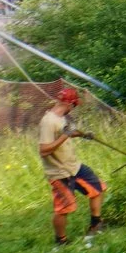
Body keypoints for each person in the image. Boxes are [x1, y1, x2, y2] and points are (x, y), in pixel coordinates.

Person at [39, 85, 105, 244]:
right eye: (74, 106)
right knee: (64, 209)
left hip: (74, 166)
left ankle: (95, 224)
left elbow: (65, 132)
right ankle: (61, 241)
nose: (73, 109)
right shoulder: (48, 121)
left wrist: (82, 134)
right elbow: (44, 150)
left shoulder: (60, 118)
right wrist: (65, 136)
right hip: (60, 172)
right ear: (69, 104)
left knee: (98, 188)